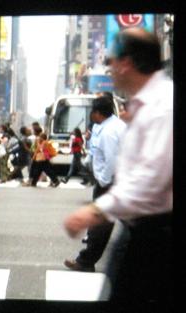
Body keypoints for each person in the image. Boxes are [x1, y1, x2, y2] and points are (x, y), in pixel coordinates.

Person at [64, 27, 172, 304]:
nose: (108, 68)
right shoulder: (146, 104)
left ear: (126, 63)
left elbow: (152, 179)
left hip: (158, 234)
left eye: (111, 60)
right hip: (139, 229)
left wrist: (95, 211)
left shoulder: (163, 106)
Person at [64, 96, 126, 272]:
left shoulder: (109, 131)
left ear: (98, 113)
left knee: (100, 224)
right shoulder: (106, 126)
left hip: (109, 182)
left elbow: (111, 160)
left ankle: (86, 261)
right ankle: (86, 260)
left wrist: (104, 182)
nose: (91, 115)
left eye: (92, 111)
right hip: (112, 181)